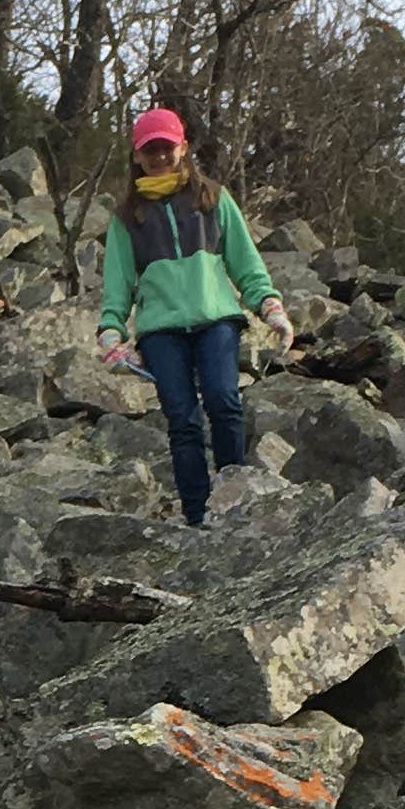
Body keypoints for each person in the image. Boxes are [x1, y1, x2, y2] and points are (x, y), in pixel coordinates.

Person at [95, 106, 291, 526]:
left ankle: (234, 499)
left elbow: (246, 264)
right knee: (182, 420)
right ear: (137, 157)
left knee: (224, 401)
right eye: (151, 150)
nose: (160, 156)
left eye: (167, 147)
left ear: (183, 148)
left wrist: (269, 306)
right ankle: (198, 517)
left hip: (216, 320)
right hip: (160, 333)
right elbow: (117, 283)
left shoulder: (213, 199)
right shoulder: (127, 218)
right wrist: (111, 330)